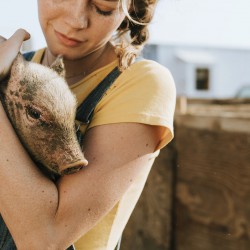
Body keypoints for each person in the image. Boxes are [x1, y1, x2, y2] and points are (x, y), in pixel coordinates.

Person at [0, 0, 176, 249]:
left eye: (102, 7)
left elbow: (44, 240)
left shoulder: (141, 83)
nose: (76, 21)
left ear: (130, 10)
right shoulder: (10, 67)